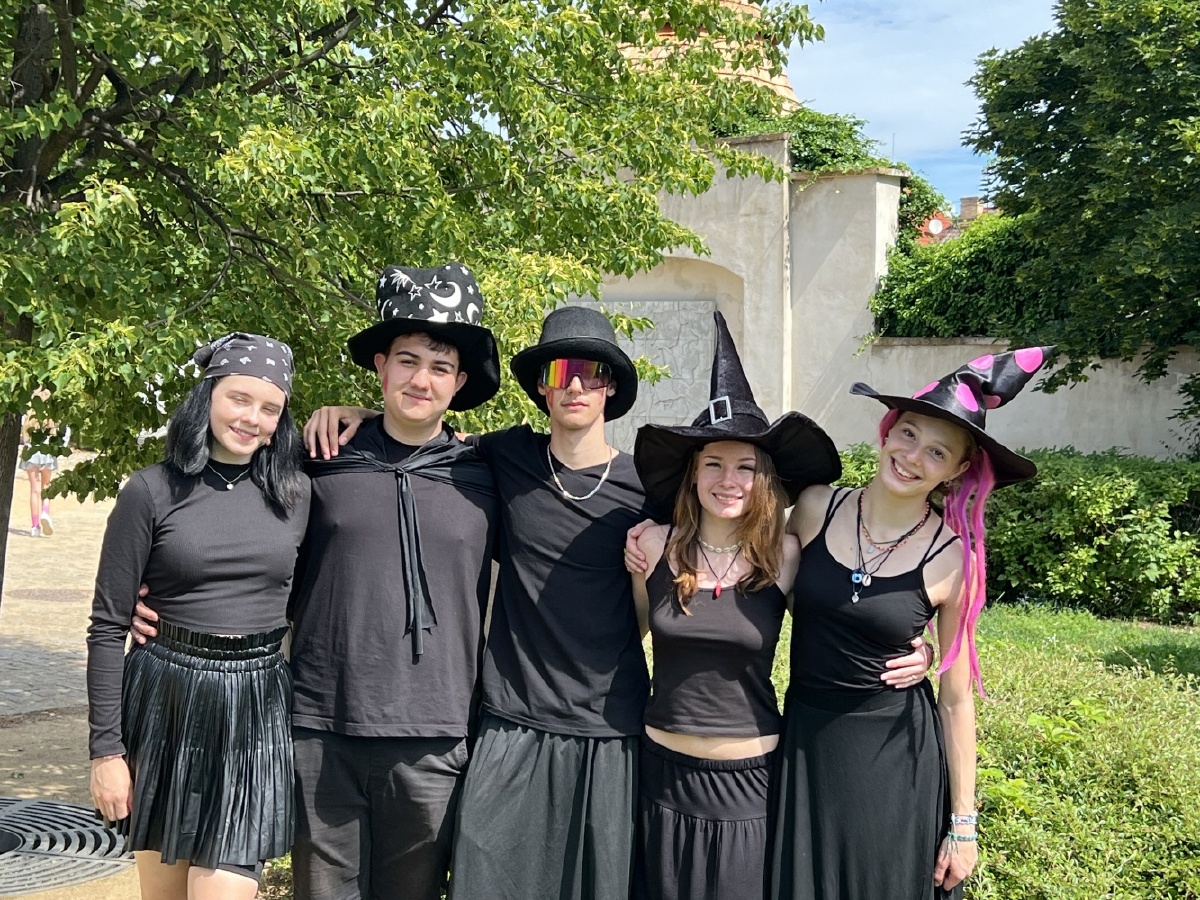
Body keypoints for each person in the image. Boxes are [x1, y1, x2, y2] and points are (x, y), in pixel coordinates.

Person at [135, 263, 502, 900]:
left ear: (460, 381)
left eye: (440, 367)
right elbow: (221, 521)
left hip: (436, 732)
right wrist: (152, 601)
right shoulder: (314, 460)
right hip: (319, 725)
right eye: (407, 361)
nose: (421, 380)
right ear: (380, 366)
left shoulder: (489, 471)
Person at [306, 305, 652, 900]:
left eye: (591, 372)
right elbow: (422, 429)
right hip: (508, 716)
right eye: (560, 371)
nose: (574, 385)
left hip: (608, 721)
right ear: (541, 385)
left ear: (611, 385)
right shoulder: (502, 457)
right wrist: (355, 414)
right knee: (482, 878)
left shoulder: (648, 488)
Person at [768, 347, 1053, 900]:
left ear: (958, 470)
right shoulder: (815, 508)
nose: (912, 456)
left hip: (895, 758)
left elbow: (957, 699)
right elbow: (768, 584)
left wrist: (964, 824)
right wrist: (662, 536)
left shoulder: (953, 560)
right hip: (805, 742)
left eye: (937, 451)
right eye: (908, 434)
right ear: (888, 431)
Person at [87, 333, 309, 900]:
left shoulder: (299, 493)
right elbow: (107, 627)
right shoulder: (150, 491)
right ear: (208, 395)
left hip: (255, 705)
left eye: (270, 408)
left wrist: (358, 413)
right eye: (239, 398)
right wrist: (106, 752)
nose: (252, 418)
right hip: (165, 700)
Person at [628, 312, 841, 900]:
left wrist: (919, 650)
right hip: (660, 774)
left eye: (746, 466)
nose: (730, 479)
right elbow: (620, 638)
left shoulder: (785, 556)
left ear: (765, 479)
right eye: (713, 464)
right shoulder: (654, 546)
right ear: (692, 476)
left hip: (748, 784)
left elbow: (838, 628)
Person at [19, 389, 64, 537]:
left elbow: (25, 438)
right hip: (46, 452)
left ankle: (35, 526)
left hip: (31, 452)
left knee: (34, 490)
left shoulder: (28, 418)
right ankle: (45, 512)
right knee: (46, 486)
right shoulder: (50, 418)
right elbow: (54, 435)